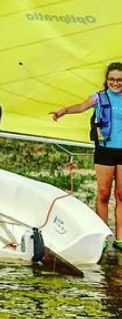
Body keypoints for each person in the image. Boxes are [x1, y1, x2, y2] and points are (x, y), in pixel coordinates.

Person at [52, 61, 122, 251]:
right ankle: (101, 234)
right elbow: (81, 107)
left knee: (121, 195)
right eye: (112, 79)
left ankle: (120, 238)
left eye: (120, 80)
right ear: (106, 80)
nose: (116, 83)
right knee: (103, 193)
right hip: (105, 150)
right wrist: (64, 110)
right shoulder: (99, 97)